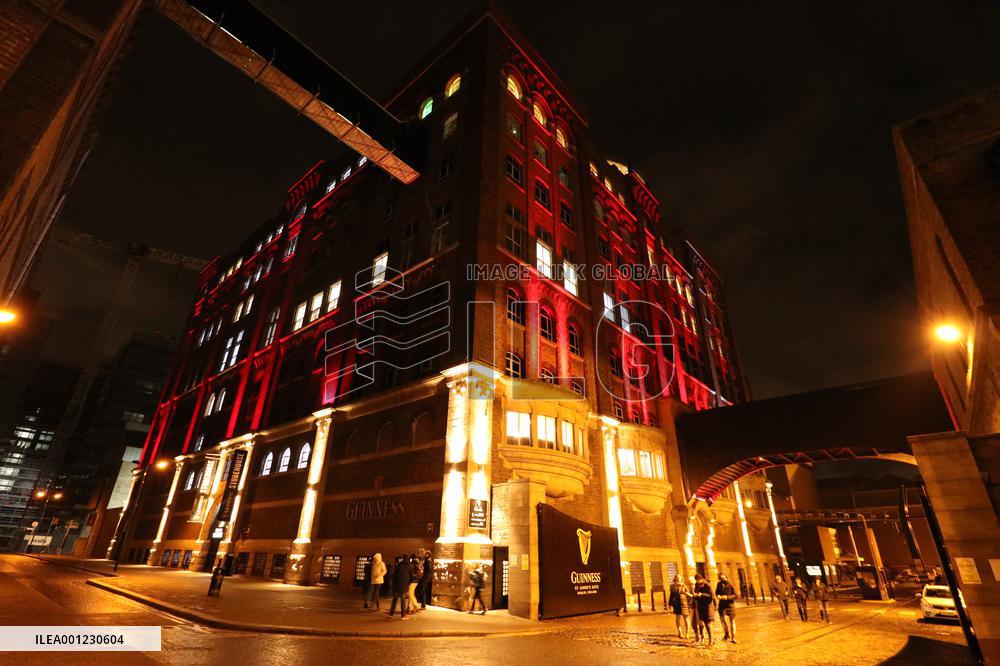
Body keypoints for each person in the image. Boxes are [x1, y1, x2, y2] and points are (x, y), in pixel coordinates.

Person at [691, 574, 715, 646]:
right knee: (704, 623)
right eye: (696, 580)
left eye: (698, 580)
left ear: (701, 579)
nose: (697, 582)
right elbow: (697, 595)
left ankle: (711, 639)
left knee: (708, 623)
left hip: (708, 606)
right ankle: (707, 639)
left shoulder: (707, 585)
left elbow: (712, 596)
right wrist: (695, 595)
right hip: (701, 606)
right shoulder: (697, 585)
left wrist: (702, 594)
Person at [715, 573, 738, 643]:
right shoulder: (719, 584)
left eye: (723, 577)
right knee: (722, 620)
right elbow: (716, 592)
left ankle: (733, 637)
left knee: (732, 621)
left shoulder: (731, 584)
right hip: (722, 605)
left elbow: (736, 595)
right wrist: (718, 596)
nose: (722, 578)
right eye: (720, 578)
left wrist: (727, 597)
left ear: (725, 576)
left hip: (730, 605)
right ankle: (726, 634)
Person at [667, 575, 691, 639]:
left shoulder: (684, 586)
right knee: (678, 618)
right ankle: (680, 632)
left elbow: (689, 595)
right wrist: (669, 604)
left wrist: (690, 604)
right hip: (677, 604)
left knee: (686, 618)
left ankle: (687, 632)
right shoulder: (672, 587)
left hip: (684, 603)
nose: (677, 580)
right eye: (676, 579)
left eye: (679, 579)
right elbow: (671, 595)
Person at [389, 555, 412, 619]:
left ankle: (391, 613)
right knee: (403, 600)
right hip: (404, 585)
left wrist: (394, 583)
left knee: (395, 599)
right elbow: (412, 577)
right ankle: (403, 615)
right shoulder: (410, 566)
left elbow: (393, 576)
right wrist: (408, 583)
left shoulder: (398, 565)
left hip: (397, 585)